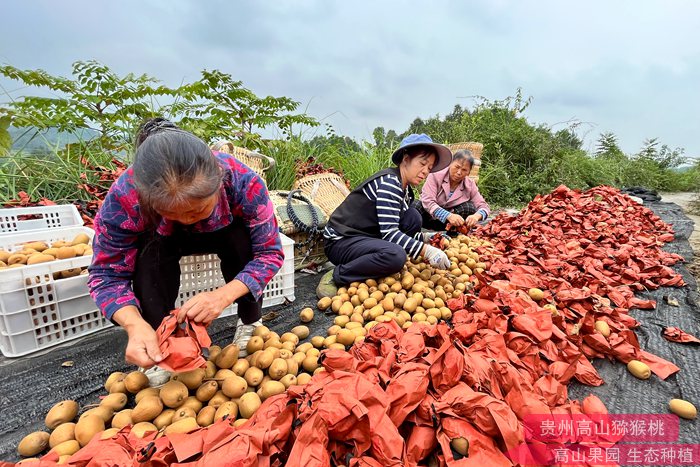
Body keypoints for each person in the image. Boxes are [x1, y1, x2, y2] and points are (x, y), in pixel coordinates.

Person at [88, 118, 284, 386]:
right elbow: (106, 275)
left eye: (197, 210)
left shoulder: (242, 181)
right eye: (170, 212)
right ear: (145, 197)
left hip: (225, 233)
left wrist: (222, 297)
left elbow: (269, 253)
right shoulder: (124, 197)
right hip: (162, 240)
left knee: (243, 240)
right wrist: (134, 324)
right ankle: (158, 339)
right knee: (146, 252)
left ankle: (250, 320)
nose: (187, 220)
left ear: (218, 181)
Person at [316, 134, 453, 298]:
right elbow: (390, 233)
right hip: (341, 241)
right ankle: (336, 275)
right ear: (406, 159)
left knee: (413, 217)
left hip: (367, 236)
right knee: (396, 256)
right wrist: (427, 251)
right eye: (422, 163)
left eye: (429, 168)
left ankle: (375, 258)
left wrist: (427, 238)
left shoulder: (406, 190)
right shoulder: (389, 183)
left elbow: (394, 225)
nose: (425, 171)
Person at [417, 149, 490, 231]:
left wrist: (476, 216)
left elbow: (484, 207)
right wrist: (448, 215)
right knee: (416, 206)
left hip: (449, 224)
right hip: (428, 217)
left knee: (469, 207)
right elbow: (428, 201)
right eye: (457, 167)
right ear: (450, 164)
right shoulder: (435, 175)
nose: (459, 172)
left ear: (468, 172)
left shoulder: (470, 185)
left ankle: (451, 232)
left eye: (464, 170)